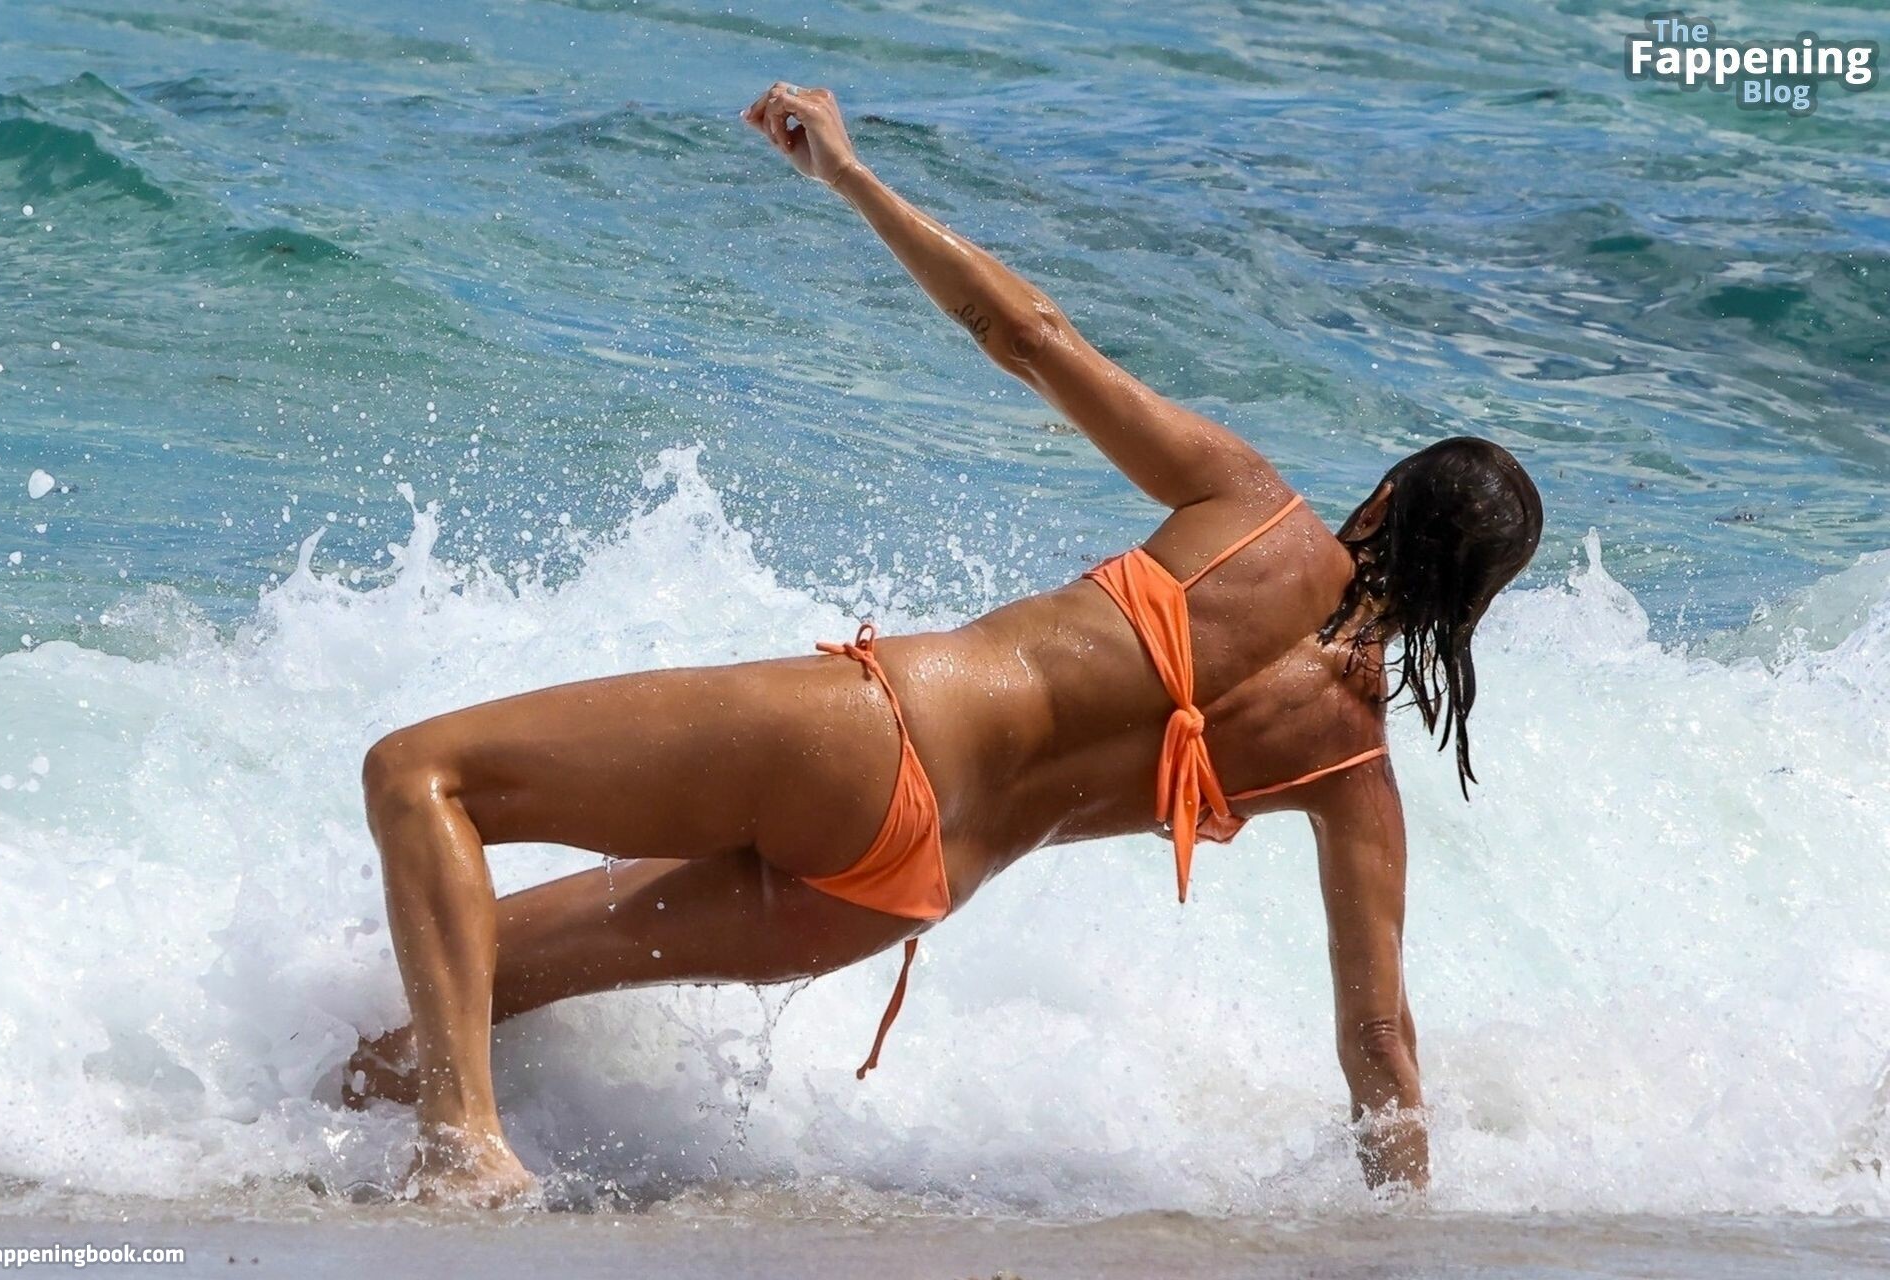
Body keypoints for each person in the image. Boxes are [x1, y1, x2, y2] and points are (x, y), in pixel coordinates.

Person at [343, 82, 1544, 1206]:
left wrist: (852, 177)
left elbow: (1030, 334)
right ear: (1467, 607)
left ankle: (464, 1148)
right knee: (463, 973)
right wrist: (1401, 1233)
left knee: (420, 771)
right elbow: (1379, 1042)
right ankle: (304, 1151)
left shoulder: (1262, 519)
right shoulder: (1353, 769)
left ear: (1383, 498)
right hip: (893, 893)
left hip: (873, 742)